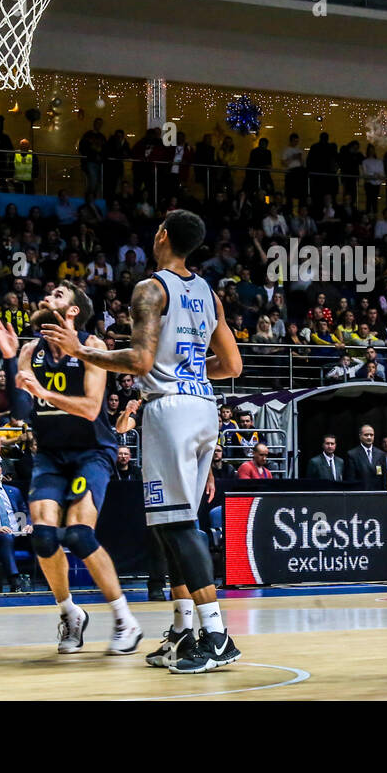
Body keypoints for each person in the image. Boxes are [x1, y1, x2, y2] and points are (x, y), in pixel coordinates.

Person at [41, 209, 243, 674]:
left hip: (169, 409)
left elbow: (139, 358)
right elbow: (231, 365)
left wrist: (81, 350)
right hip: (204, 405)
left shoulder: (150, 288)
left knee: (176, 527)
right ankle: (182, 628)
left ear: (163, 236)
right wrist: (188, 374)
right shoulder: (209, 294)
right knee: (172, 524)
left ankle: (215, 634)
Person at [0, 283, 142, 654]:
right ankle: (70, 613)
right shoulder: (29, 350)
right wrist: (10, 360)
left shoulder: (94, 348)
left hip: (92, 451)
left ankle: (125, 619)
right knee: (42, 537)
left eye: (57, 295)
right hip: (50, 453)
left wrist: (43, 393)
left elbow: (91, 408)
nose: (46, 298)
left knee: (77, 534)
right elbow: (22, 412)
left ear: (72, 311)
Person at [0, 458, 33, 592]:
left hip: (19, 534)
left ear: (1, 471)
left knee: (41, 536)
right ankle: (15, 582)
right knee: (5, 537)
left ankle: (51, 579)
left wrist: (28, 524)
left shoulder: (14, 491)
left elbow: (26, 512)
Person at [345, 424, 386, 489]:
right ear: (360, 436)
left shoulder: (380, 454)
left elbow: (384, 478)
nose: (369, 437)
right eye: (366, 435)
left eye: (371, 435)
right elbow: (350, 480)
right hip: (361, 494)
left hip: (378, 494)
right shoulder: (352, 454)